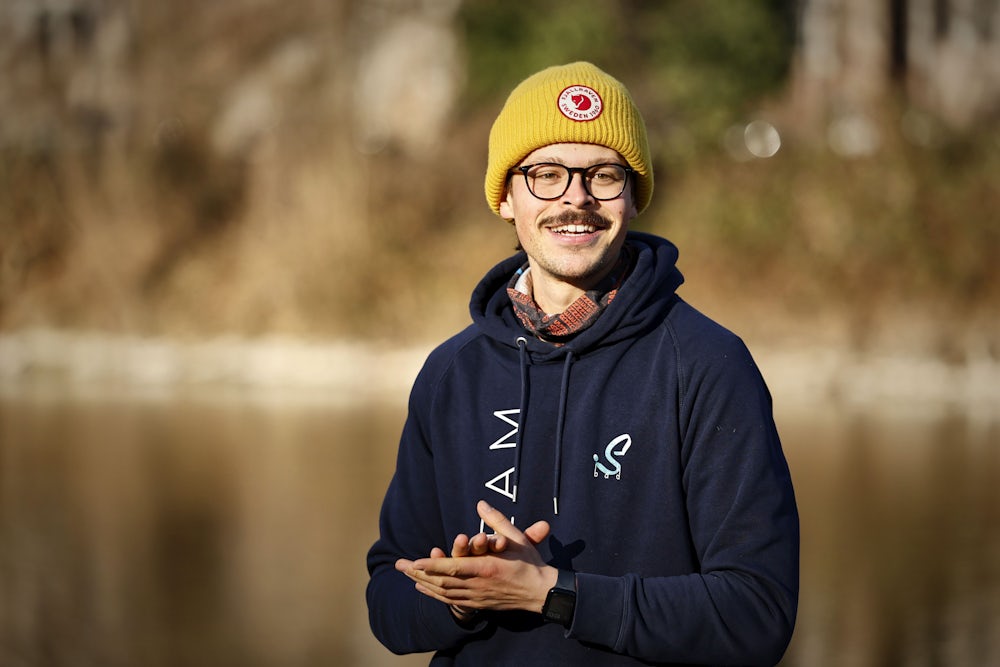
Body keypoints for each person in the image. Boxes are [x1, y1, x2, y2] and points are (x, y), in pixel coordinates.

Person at [366, 61, 799, 666]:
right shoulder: (449, 374)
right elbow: (388, 602)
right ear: (506, 199)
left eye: (602, 174)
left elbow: (758, 614)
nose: (576, 196)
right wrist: (462, 599)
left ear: (633, 196)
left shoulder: (706, 364)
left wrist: (554, 595)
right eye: (546, 174)